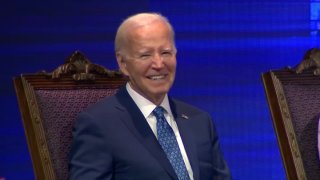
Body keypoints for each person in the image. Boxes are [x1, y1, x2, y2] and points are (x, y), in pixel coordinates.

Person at [69, 12, 231, 180]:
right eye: (145, 55)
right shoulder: (99, 124)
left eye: (166, 53)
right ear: (123, 63)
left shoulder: (200, 121)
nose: (159, 64)